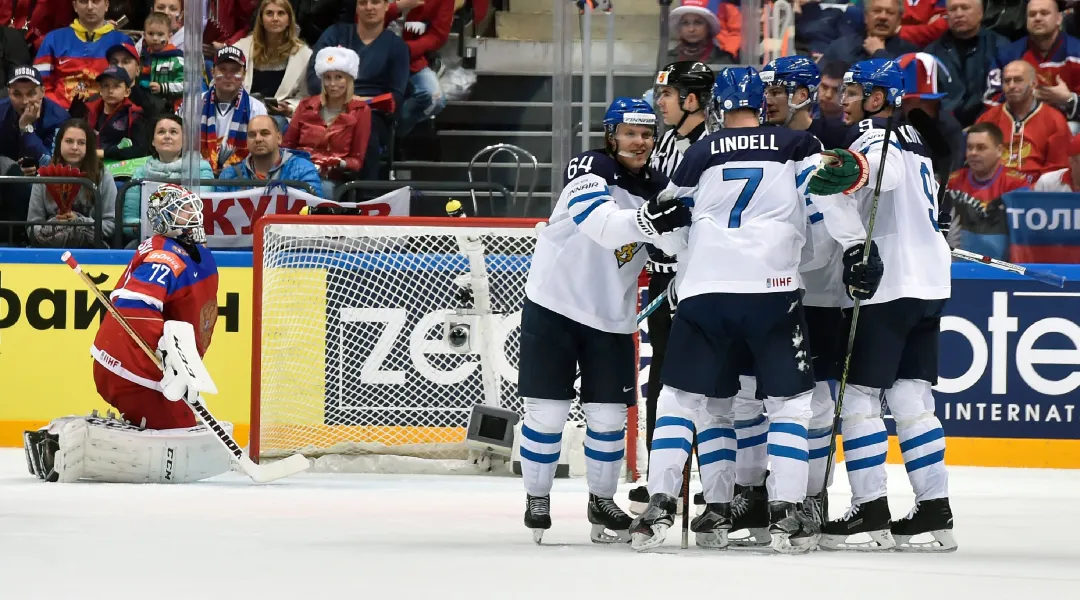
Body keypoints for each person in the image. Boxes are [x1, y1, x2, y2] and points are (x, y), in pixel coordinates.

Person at [629, 66, 878, 555]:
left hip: (704, 291)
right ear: (763, 104)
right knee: (789, 405)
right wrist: (855, 248)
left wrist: (679, 258)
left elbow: (669, 219)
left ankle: (660, 503)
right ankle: (787, 510)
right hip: (773, 290)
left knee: (683, 399)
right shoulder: (793, 145)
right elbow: (829, 192)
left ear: (718, 108)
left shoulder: (699, 151)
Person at [518, 97, 683, 545]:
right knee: (547, 413)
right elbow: (605, 227)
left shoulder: (659, 184)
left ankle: (601, 501)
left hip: (612, 316)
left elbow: (678, 242)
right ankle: (537, 497)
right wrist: (654, 223)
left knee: (609, 416)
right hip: (554, 304)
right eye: (630, 133)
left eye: (647, 134)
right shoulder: (588, 167)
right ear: (612, 135)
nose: (639, 142)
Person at [808, 58, 956, 553]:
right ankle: (935, 510)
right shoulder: (919, 142)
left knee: (860, 400)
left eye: (852, 92)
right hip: (931, 283)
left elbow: (877, 176)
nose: (842, 100)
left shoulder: (878, 137)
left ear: (876, 97)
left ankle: (869, 510)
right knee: (914, 400)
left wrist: (842, 179)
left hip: (888, 286)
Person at [23, 183, 235, 484]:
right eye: (182, 211)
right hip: (132, 365)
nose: (192, 215)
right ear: (165, 220)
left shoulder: (193, 252)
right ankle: (65, 442)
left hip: (139, 364)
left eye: (192, 208)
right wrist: (170, 361)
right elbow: (136, 310)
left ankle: (73, 435)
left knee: (183, 424)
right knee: (178, 433)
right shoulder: (164, 258)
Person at [627, 61, 714, 517]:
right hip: (662, 275)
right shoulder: (663, 141)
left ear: (692, 100)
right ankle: (663, 476)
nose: (658, 102)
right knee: (660, 375)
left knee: (702, 379)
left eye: (667, 94)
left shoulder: (714, 147)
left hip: (697, 277)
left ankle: (712, 475)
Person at [283, 47, 376, 193]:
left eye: (339, 77)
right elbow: (287, 146)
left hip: (331, 177)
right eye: (327, 77)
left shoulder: (361, 110)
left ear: (349, 79)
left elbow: (357, 161)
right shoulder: (305, 105)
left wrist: (339, 162)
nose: (332, 84)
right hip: (299, 171)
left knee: (322, 188)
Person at [123, 114, 215, 245]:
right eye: (161, 132)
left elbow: (201, 211)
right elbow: (128, 221)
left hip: (191, 240)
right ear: (153, 141)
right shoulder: (140, 172)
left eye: (173, 132)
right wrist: (141, 226)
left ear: (184, 140)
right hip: (150, 241)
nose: (167, 136)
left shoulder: (200, 168)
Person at [945, 122, 1031, 258]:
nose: (973, 153)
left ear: (999, 151)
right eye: (969, 147)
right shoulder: (952, 182)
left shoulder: (1016, 184)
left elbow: (1023, 236)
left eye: (981, 148)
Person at [26, 118, 116, 248]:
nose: (74, 147)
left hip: (90, 247)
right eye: (69, 141)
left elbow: (110, 225)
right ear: (59, 143)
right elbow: (32, 225)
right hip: (49, 246)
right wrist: (54, 226)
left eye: (81, 143)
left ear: (88, 147)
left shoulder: (103, 176)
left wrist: (79, 222)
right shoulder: (43, 176)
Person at [307, 0, 410, 114]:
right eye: (363, 3)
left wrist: (363, 102)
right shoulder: (334, 34)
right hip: (328, 107)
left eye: (375, 2)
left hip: (371, 113)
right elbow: (313, 78)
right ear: (356, 7)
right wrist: (346, 99)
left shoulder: (397, 46)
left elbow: (396, 96)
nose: (369, 7)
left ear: (386, 6)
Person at [987, 0, 1080, 121]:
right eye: (1032, 14)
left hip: (1069, 126)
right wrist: (1025, 97)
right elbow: (991, 100)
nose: (1037, 18)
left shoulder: (1077, 53)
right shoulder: (1008, 55)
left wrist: (1069, 99)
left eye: (1044, 13)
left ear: (1059, 18)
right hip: (1020, 124)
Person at [976, 60, 1070, 178]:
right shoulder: (988, 118)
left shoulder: (1055, 120)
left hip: (1036, 191)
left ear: (1033, 84)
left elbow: (1058, 170)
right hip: (994, 188)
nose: (1011, 86)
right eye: (1007, 81)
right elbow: (977, 162)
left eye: (1018, 80)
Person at [924, 0, 1011, 128]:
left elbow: (1004, 96)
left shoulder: (1000, 47)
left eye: (965, 8)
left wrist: (980, 126)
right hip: (945, 131)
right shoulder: (931, 53)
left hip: (990, 128)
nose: (959, 14)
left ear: (980, 13)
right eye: (953, 9)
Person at [33, 0, 132, 110]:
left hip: (105, 117)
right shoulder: (53, 39)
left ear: (106, 5)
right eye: (84, 1)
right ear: (75, 6)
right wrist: (58, 114)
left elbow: (128, 85)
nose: (90, 7)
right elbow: (39, 85)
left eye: (95, 1)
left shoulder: (123, 42)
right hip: (59, 117)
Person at [234, 0, 313, 130]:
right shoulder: (242, 47)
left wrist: (289, 108)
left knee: (272, 125)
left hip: (277, 116)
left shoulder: (303, 54)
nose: (275, 18)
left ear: (289, 19)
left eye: (281, 13)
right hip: (244, 110)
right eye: (269, 13)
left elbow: (305, 96)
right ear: (261, 19)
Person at [383, 0, 452, 136]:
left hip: (413, 57)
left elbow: (438, 35)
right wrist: (398, 6)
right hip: (375, 52)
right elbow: (361, 17)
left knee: (435, 99)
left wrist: (407, 49)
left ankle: (391, 136)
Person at [198, 45, 269, 175]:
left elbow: (263, 148)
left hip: (243, 175)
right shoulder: (194, 104)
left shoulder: (256, 108)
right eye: (222, 69)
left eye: (235, 70)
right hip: (199, 173)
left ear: (244, 74)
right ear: (212, 71)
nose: (228, 75)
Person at [215, 114, 323, 196]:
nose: (258, 139)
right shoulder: (229, 174)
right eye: (252, 135)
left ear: (279, 138)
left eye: (265, 133)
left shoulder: (303, 169)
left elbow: (312, 212)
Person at [0, 66, 69, 172]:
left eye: (31, 93)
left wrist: (26, 127)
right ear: (9, 93)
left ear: (42, 92)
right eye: (17, 94)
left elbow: (51, 165)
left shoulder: (59, 119)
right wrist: (13, 171)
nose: (24, 101)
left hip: (44, 182)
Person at [821, 0, 918, 67]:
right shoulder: (840, 47)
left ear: (899, 21)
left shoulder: (910, 55)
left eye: (890, 12)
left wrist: (880, 54)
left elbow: (903, 87)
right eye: (877, 11)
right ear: (866, 17)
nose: (883, 17)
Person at [85, 65, 149, 161]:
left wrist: (104, 153)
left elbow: (140, 149)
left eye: (116, 86)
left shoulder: (134, 115)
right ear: (101, 91)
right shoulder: (90, 111)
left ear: (127, 92)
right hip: (92, 166)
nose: (110, 91)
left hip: (121, 170)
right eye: (106, 86)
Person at [106, 42, 166, 123]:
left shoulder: (154, 105)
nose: (119, 66)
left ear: (138, 70)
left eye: (126, 62)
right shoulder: (95, 102)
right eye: (114, 62)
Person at [667, 0, 738, 65]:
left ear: (708, 26)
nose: (691, 29)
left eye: (698, 23)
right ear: (679, 28)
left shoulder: (724, 60)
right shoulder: (667, 58)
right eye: (685, 23)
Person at [139, 12, 185, 111]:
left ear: (169, 36)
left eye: (160, 34)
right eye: (151, 34)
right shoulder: (142, 57)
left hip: (170, 110)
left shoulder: (176, 58)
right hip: (145, 109)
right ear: (144, 35)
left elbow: (186, 86)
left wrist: (163, 88)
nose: (155, 38)